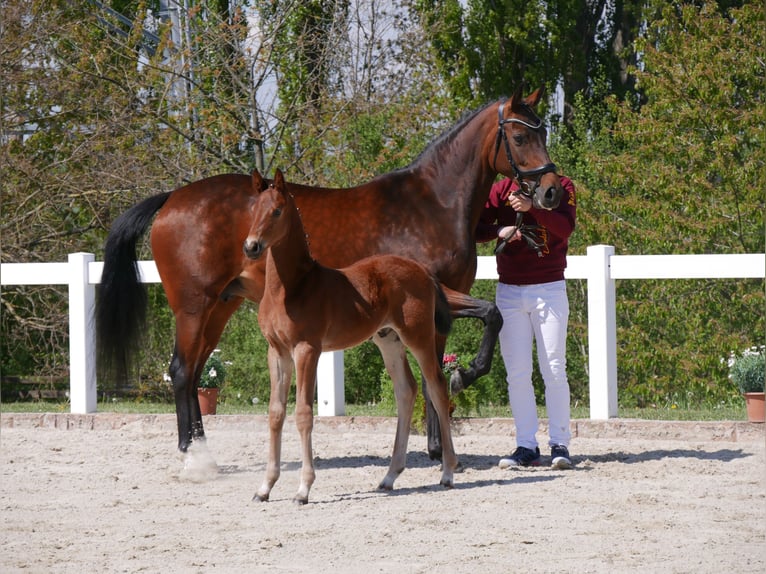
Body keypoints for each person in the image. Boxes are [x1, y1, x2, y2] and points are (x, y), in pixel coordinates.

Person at [476, 175, 576, 469]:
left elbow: (565, 229)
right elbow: (475, 228)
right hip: (508, 290)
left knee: (554, 369)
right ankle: (526, 445)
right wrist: (500, 230)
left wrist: (533, 207)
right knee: (517, 373)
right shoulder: (501, 187)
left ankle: (560, 444)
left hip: (549, 288)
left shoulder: (561, 185)